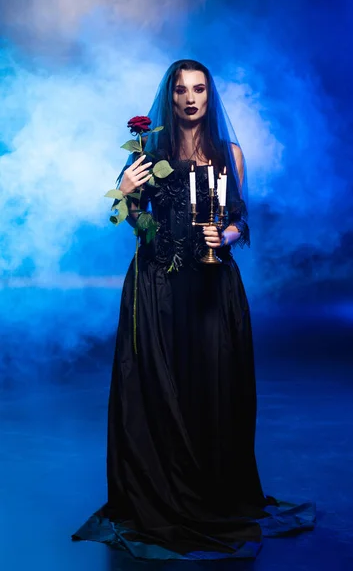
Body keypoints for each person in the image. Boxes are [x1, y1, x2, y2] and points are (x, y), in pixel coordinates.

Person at [72, 59, 315, 560]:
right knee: (158, 389)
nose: (190, 98)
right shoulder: (147, 153)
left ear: (209, 96)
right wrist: (126, 195)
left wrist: (221, 235)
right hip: (157, 286)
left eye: (199, 90)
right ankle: (159, 489)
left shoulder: (231, 154)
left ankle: (211, 489)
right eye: (181, 90)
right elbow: (134, 224)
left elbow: (239, 220)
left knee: (214, 386)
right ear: (170, 97)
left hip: (212, 285)